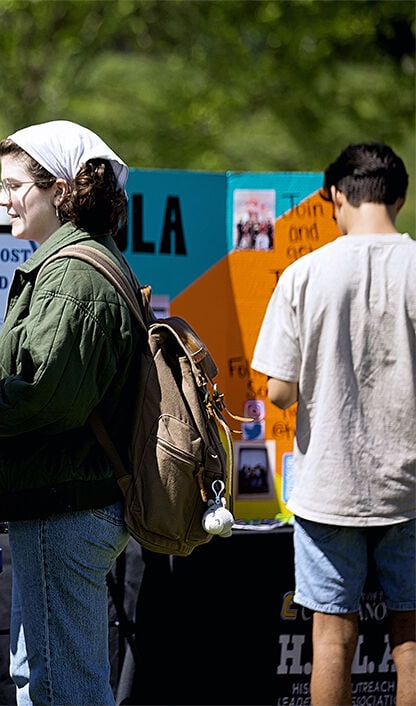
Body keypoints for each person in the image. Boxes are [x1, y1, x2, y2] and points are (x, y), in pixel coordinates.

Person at [0, 120, 139, 705]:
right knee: (44, 679)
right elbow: (43, 366)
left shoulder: (71, 274)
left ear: (60, 189)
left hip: (65, 505)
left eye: (12, 184)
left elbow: (45, 395)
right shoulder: (75, 264)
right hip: (65, 501)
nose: (1, 198)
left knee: (60, 688)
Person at [251, 142, 415, 706]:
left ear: (338, 196)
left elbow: (278, 391)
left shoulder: (303, 274)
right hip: (413, 487)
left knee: (330, 638)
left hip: (329, 486)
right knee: (412, 641)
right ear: (398, 197)